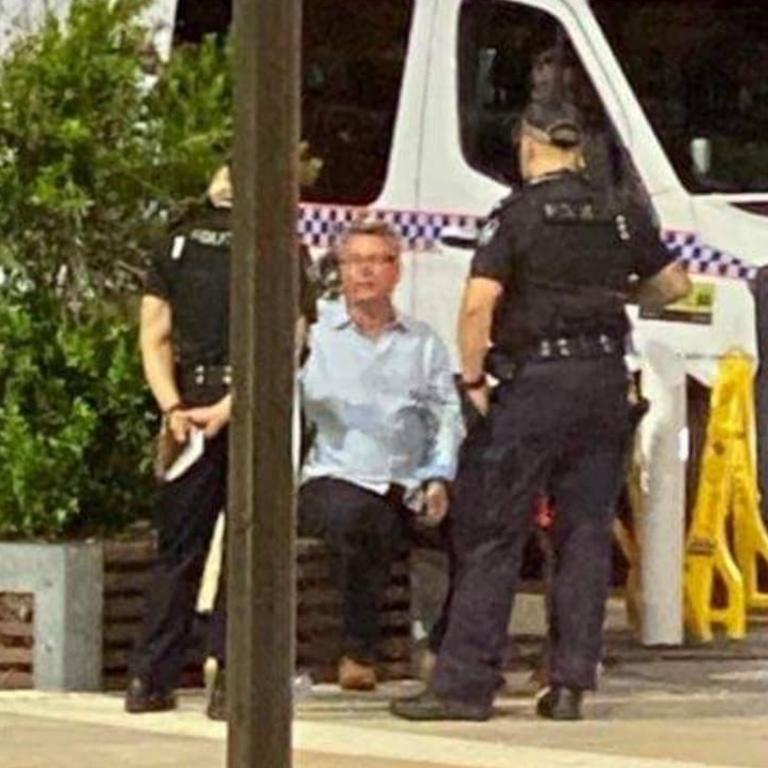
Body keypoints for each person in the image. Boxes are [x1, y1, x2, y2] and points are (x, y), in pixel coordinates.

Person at [390, 99, 691, 722]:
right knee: (583, 535)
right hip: (604, 380)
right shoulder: (618, 212)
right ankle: (570, 682)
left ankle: (466, 684)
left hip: (536, 384)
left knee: (494, 529)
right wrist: (608, 298)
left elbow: (478, 307)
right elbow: (674, 286)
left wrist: (472, 377)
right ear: (578, 148)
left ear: (529, 145)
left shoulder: (518, 216)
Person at [125, 164, 317, 720]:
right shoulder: (281, 248)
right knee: (249, 549)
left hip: (189, 407)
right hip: (252, 410)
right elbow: (289, 343)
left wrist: (174, 408)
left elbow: (153, 335)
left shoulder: (176, 242)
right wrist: (234, 406)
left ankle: (148, 678)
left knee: (177, 549)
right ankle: (231, 684)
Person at [299, 216, 463, 691]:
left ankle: (444, 647)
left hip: (409, 480)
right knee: (362, 520)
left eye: (378, 261)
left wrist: (439, 476)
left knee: (479, 526)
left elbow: (444, 414)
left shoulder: (423, 342)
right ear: (341, 270)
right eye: (355, 262)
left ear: (397, 271)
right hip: (337, 474)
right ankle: (358, 652)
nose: (366, 272)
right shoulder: (316, 335)